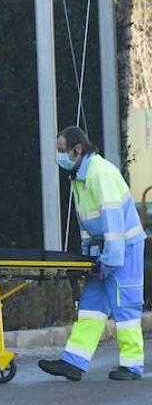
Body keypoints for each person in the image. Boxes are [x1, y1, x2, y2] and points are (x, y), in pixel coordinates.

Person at [39, 126, 146, 381]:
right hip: (107, 249)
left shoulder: (100, 174)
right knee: (91, 308)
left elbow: (114, 223)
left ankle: (132, 366)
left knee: (125, 309)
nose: (59, 156)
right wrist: (88, 257)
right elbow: (87, 222)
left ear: (78, 149)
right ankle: (74, 362)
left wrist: (108, 261)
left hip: (123, 249)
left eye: (62, 150)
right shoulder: (80, 175)